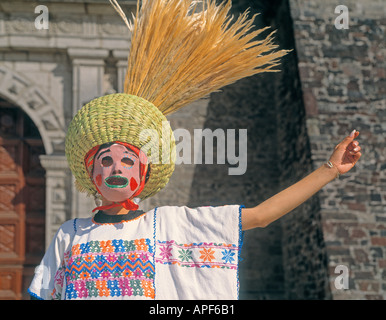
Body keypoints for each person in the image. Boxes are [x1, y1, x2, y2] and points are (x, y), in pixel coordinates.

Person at [28, 0, 362, 300]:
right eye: (107, 161)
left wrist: (329, 169)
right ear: (92, 173)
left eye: (127, 161)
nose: (116, 169)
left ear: (143, 174)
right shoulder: (69, 235)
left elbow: (261, 215)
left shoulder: (172, 225)